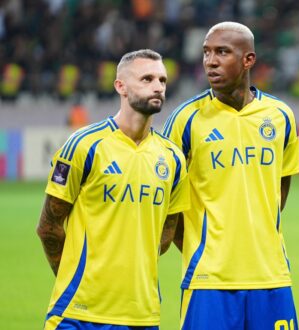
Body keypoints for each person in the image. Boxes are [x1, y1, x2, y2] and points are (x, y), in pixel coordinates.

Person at [162, 22, 299, 330]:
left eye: (222, 52)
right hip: (209, 280)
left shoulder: (281, 117)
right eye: (206, 53)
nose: (210, 61)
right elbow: (166, 207)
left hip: (272, 275)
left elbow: (279, 193)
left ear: (248, 60)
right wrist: (204, 247)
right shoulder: (186, 120)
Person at [37, 49, 190, 329]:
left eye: (162, 80)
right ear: (120, 86)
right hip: (78, 314)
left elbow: (167, 233)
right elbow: (48, 226)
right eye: (147, 79)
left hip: (142, 316)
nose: (157, 86)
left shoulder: (173, 157)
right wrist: (75, 281)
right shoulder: (84, 145)